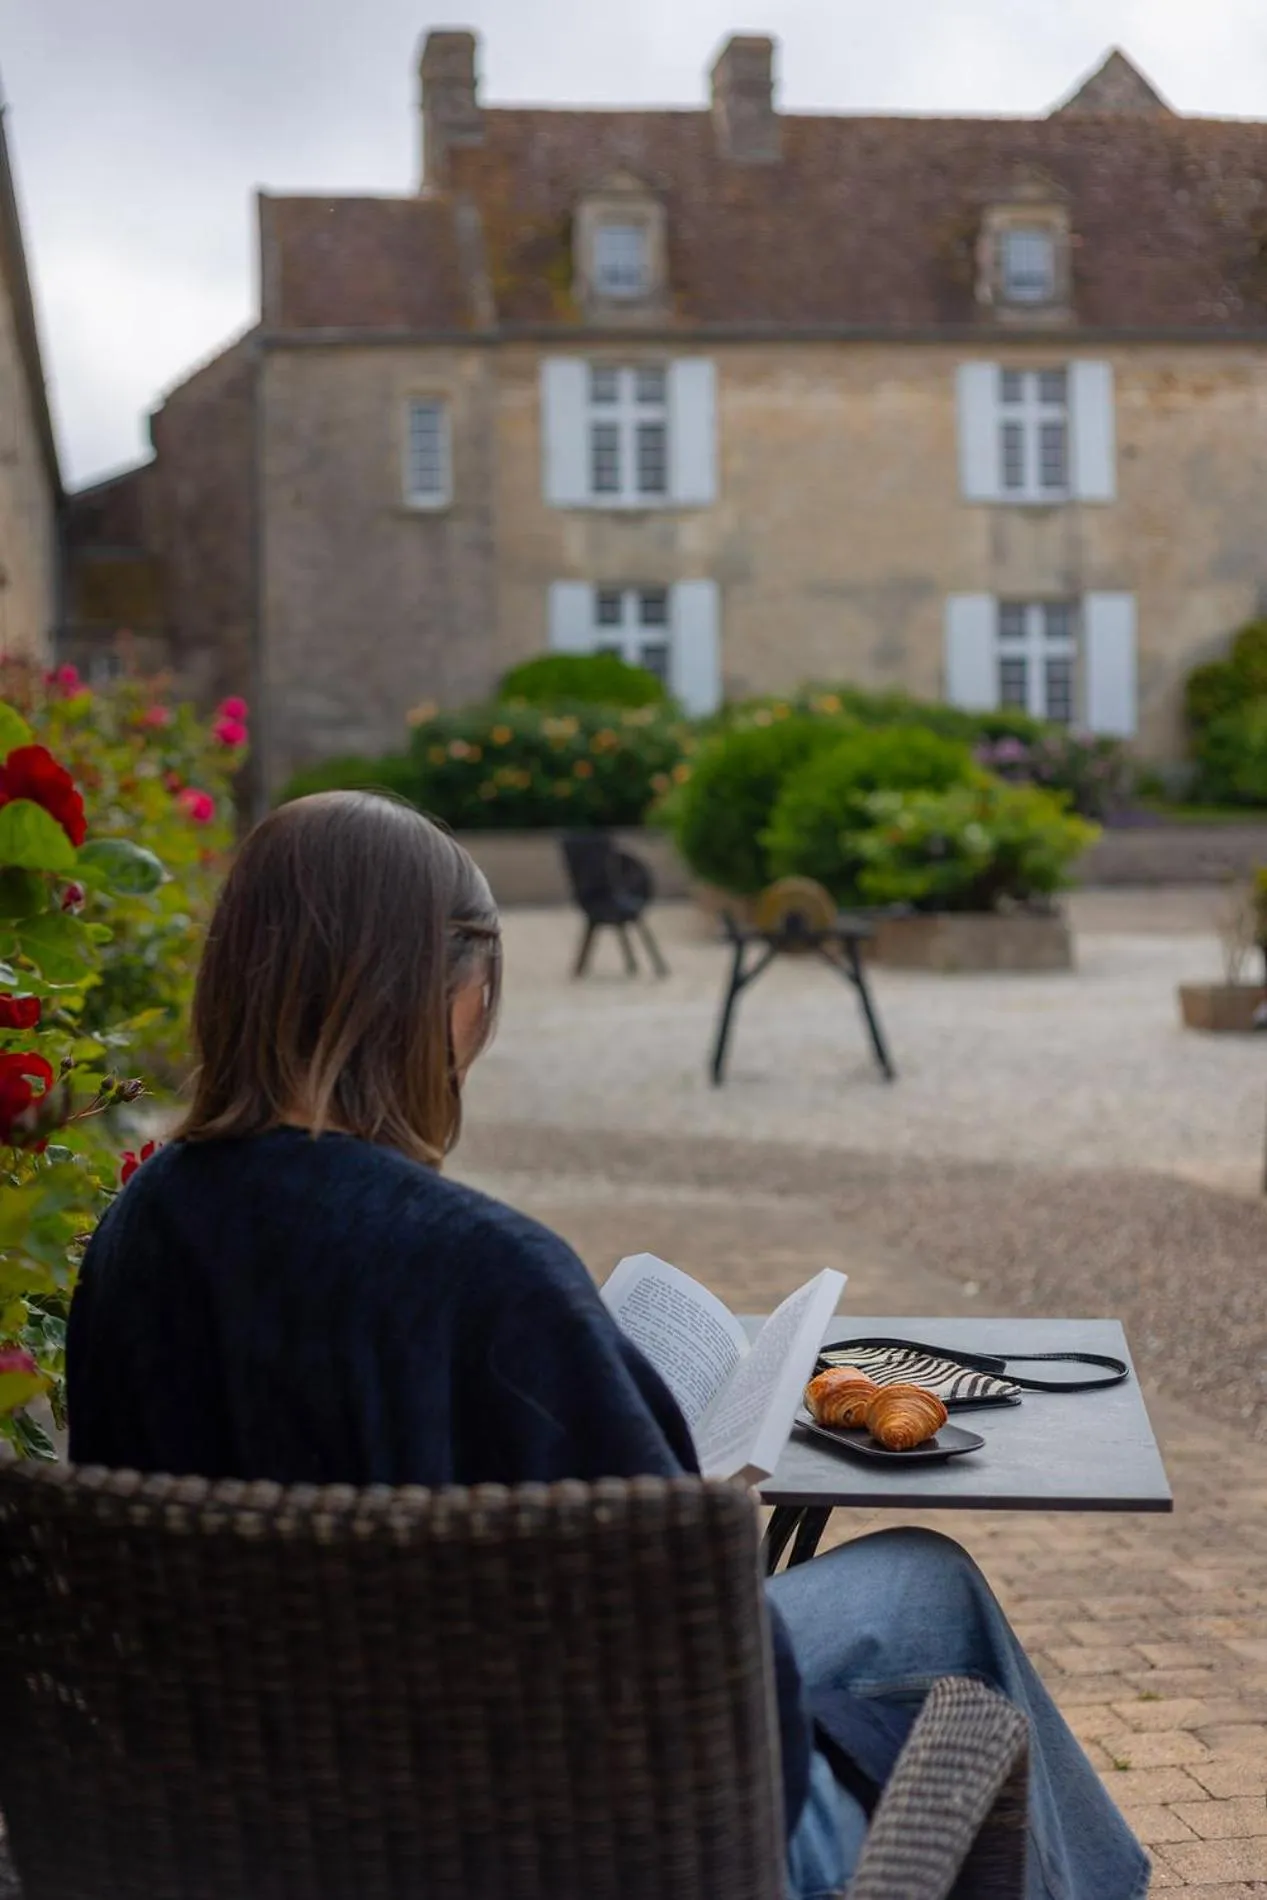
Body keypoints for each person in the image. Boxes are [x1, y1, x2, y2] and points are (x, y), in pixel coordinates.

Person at [66, 793, 1148, 1900]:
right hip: (559, 1828)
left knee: (921, 1587)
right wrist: (716, 1514)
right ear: (448, 996)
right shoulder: (480, 1272)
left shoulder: (133, 1238)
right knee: (929, 1589)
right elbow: (688, 1653)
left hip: (236, 1817)